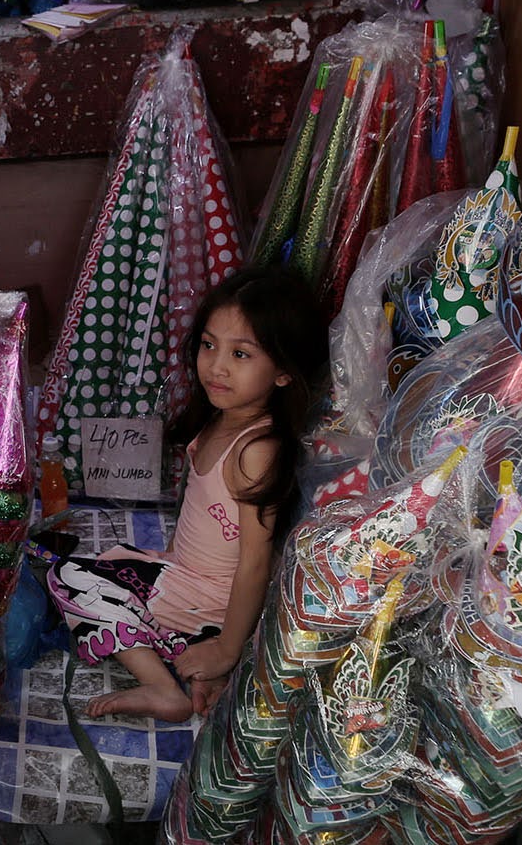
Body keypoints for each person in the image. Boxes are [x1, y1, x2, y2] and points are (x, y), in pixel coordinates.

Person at [43, 268, 328, 721]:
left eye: (240, 354)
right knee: (90, 566)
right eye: (209, 345)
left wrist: (227, 649)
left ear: (283, 373)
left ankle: (165, 685)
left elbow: (255, 561)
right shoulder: (222, 415)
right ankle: (197, 668)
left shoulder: (257, 450)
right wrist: (167, 559)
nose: (216, 365)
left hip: (213, 603)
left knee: (69, 578)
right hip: (184, 577)